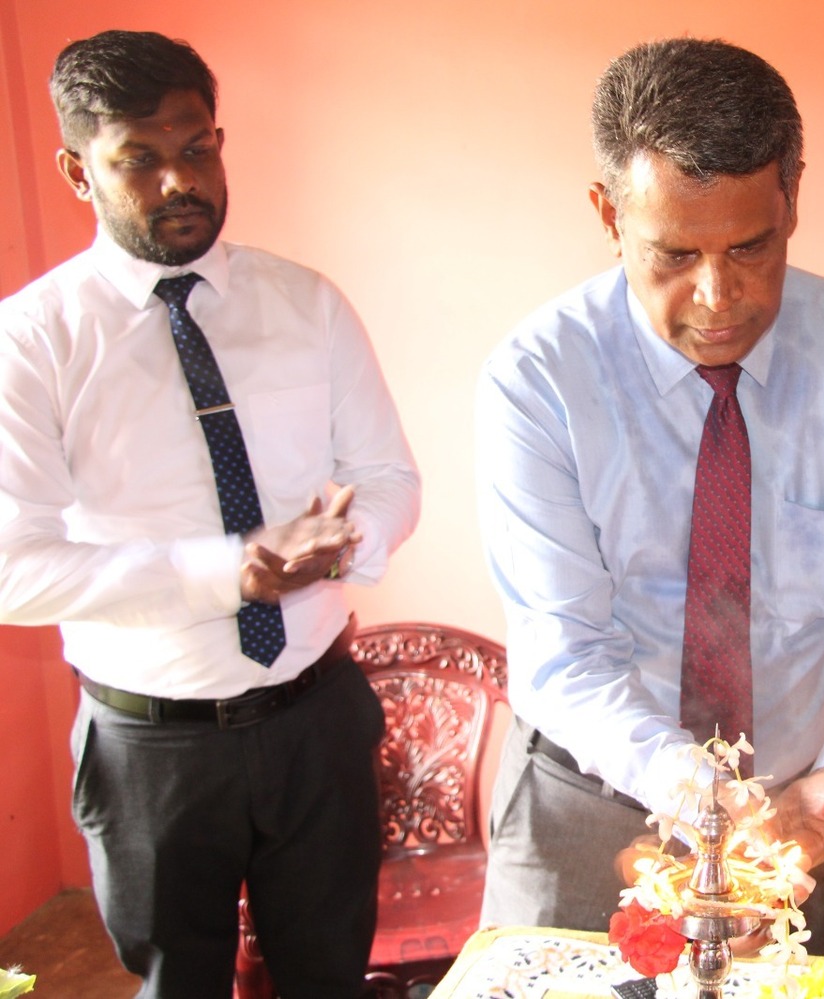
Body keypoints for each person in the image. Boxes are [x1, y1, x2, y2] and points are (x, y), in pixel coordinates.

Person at [477, 37, 824, 955]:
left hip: (797, 821)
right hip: (587, 808)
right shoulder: (538, 379)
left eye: (750, 247)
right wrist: (698, 793)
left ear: (793, 199)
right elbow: (563, 647)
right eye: (673, 253)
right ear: (608, 214)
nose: (717, 296)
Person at [0, 30, 421, 998]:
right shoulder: (32, 342)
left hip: (316, 718)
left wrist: (343, 545)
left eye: (196, 148)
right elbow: (13, 566)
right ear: (77, 171)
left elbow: (389, 476)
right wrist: (227, 572)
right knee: (176, 986)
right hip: (152, 750)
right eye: (137, 160)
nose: (179, 181)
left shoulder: (307, 302)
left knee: (330, 979)